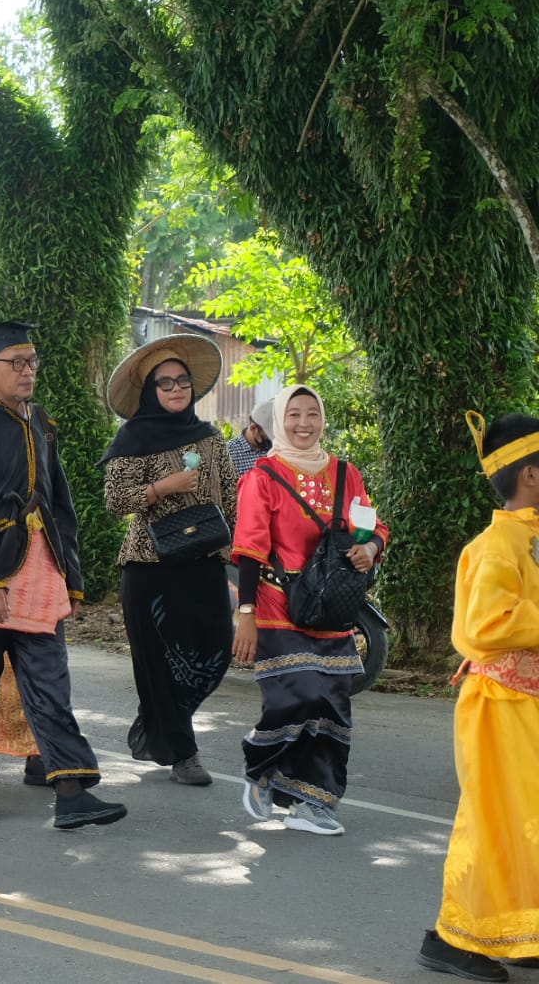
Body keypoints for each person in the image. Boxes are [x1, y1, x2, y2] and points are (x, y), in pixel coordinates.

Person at [0, 320, 126, 827]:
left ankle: (70, 792)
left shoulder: (39, 422)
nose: (27, 372)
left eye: (32, 363)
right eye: (16, 364)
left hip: (41, 578)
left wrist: (73, 577)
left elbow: (61, 506)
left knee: (50, 687)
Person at [415, 412, 539, 982]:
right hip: (498, 704)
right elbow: (487, 624)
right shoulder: (495, 546)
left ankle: (519, 929)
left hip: (528, 703)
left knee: (528, 823)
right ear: (530, 476)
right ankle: (449, 937)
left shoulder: (530, 537)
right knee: (495, 821)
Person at [232, 384, 386, 836]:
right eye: (294, 414)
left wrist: (370, 547)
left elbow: (371, 526)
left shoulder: (346, 474)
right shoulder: (262, 476)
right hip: (277, 604)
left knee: (332, 701)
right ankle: (263, 763)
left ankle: (313, 804)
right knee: (297, 694)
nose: (304, 423)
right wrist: (245, 614)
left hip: (333, 605)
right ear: (279, 421)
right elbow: (249, 550)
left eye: (312, 413)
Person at [101, 334, 237, 787]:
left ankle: (159, 719)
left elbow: (232, 498)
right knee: (159, 662)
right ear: (150, 391)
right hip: (150, 565)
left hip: (205, 562)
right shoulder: (133, 437)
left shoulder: (211, 438)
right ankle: (184, 752)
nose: (177, 389)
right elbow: (116, 500)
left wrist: (240, 558)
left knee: (217, 650)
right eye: (166, 383)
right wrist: (164, 487)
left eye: (183, 381)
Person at [227, 399, 275, 476]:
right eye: (265, 437)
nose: (269, 441)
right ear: (253, 428)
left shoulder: (274, 448)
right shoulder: (231, 452)